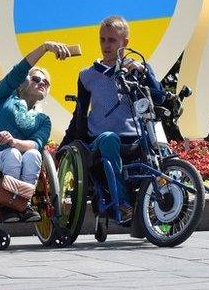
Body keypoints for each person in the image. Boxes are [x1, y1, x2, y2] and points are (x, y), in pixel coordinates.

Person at [60, 15, 167, 224]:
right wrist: (66, 144)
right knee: (110, 139)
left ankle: (161, 200)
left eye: (112, 40)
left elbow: (159, 98)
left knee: (159, 147)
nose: (106, 45)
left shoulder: (137, 70)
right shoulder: (87, 75)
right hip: (101, 139)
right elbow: (79, 114)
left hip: (134, 137)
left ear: (124, 43)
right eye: (103, 39)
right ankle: (123, 205)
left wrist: (144, 72)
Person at [0, 41, 72, 223]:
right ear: (23, 84)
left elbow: (36, 143)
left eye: (46, 82)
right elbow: (21, 69)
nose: (41, 82)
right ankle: (6, 205)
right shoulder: (4, 96)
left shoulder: (43, 120)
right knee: (13, 154)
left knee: (34, 154)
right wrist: (45, 48)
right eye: (36, 79)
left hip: (16, 154)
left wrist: (14, 142)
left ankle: (22, 203)